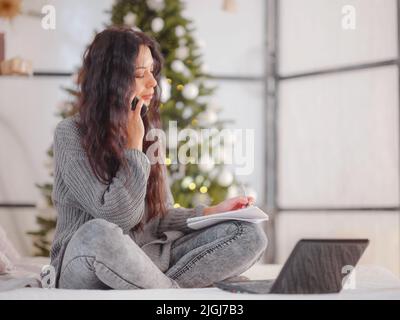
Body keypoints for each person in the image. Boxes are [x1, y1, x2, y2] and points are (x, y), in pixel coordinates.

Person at [50, 26, 268, 290]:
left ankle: (152, 287)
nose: (153, 83)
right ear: (110, 80)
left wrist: (212, 212)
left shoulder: (149, 131)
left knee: (247, 233)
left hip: (146, 257)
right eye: (141, 74)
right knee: (98, 233)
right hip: (86, 261)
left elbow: (159, 217)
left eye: (152, 72)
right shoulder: (70, 134)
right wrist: (133, 147)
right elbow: (116, 219)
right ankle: (172, 294)